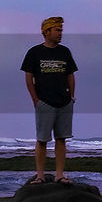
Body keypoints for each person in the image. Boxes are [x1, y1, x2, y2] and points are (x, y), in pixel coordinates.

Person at [20, 16, 77, 184]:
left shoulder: (64, 52)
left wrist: (71, 97)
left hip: (64, 102)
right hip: (44, 102)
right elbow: (28, 77)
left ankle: (59, 174)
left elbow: (71, 75)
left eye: (61, 30)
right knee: (42, 139)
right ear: (46, 32)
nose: (60, 33)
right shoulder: (34, 52)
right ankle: (40, 175)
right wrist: (35, 99)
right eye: (57, 30)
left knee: (61, 139)